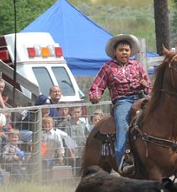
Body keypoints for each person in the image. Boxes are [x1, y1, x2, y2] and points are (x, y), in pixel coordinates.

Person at [89, 34, 152, 173]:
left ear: (131, 52)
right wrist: (96, 95)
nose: (124, 52)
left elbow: (149, 87)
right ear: (114, 52)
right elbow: (97, 86)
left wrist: (145, 85)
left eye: (127, 50)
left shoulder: (137, 66)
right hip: (122, 101)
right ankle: (123, 160)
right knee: (123, 125)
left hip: (141, 98)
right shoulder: (108, 67)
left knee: (157, 117)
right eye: (121, 50)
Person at [64, 106, 89, 175]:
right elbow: (67, 139)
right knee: (73, 170)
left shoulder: (83, 125)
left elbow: (87, 137)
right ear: (71, 112)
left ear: (81, 113)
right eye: (75, 112)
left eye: (78, 112)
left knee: (81, 169)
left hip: (81, 151)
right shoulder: (68, 125)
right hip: (73, 152)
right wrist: (71, 152)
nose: (76, 114)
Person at [41, 116, 65, 181]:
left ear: (52, 124)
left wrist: (61, 156)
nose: (47, 125)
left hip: (52, 157)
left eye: (49, 123)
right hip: (42, 157)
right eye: (45, 123)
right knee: (43, 172)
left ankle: (50, 184)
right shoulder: (41, 134)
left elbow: (60, 145)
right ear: (42, 124)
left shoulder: (56, 134)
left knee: (51, 172)